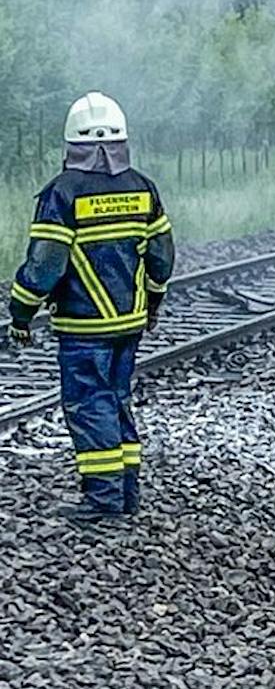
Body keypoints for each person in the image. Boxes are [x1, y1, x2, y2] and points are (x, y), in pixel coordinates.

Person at [8, 94, 174, 524]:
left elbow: (45, 267)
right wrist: (153, 301)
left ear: (71, 143)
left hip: (85, 326)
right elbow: (161, 257)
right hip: (129, 323)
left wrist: (20, 312)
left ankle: (103, 502)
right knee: (117, 399)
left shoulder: (63, 193)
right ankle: (127, 494)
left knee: (89, 403)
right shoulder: (142, 187)